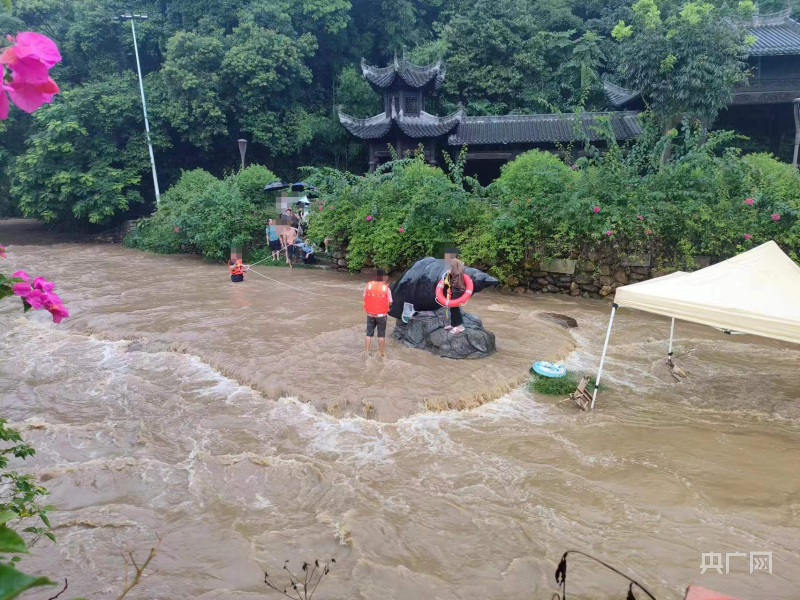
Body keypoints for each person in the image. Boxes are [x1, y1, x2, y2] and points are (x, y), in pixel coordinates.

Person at [363, 269, 392, 357]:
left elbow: (364, 296)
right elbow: (390, 302)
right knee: (381, 335)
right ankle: (381, 352)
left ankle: (367, 351)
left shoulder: (368, 286)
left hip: (370, 314)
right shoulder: (386, 288)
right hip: (381, 315)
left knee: (368, 334)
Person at [442, 257, 466, 334]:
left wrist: (449, 271)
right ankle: (453, 324)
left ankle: (459, 326)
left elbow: (456, 273)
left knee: (455, 307)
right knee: (452, 307)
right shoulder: (457, 261)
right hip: (457, 287)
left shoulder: (453, 262)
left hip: (457, 287)